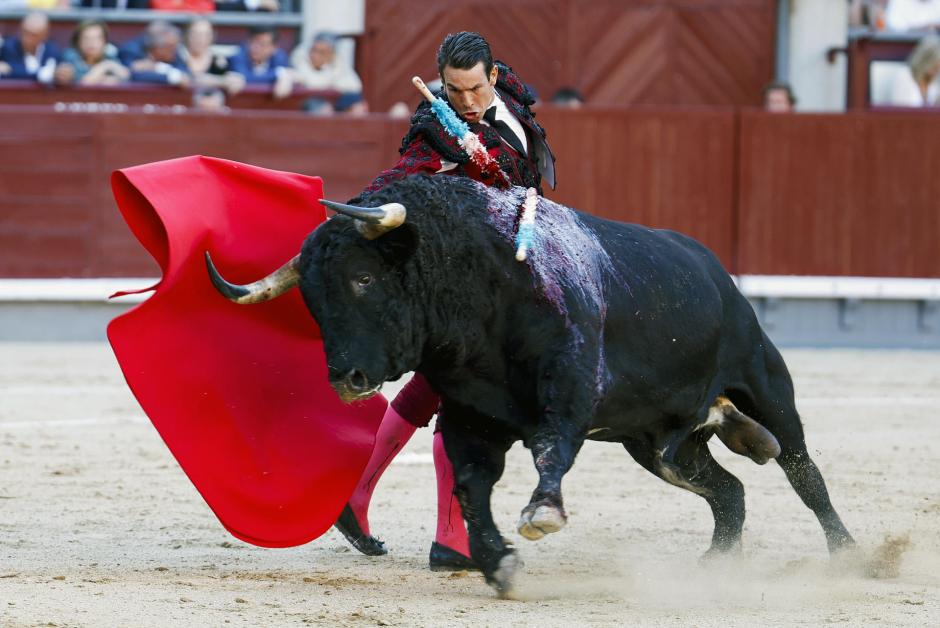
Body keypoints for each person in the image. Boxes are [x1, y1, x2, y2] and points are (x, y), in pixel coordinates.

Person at [332, 31, 556, 571]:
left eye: (476, 89)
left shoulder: (514, 95)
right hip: (465, 275)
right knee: (464, 392)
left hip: (516, 265)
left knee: (433, 387)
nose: (468, 102)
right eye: (455, 91)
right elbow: (404, 175)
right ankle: (451, 538)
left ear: (494, 77)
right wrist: (361, 209)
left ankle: (357, 494)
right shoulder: (435, 128)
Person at [290, 31, 364, 114]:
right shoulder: (300, 61)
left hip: (336, 106)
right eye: (314, 50)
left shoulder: (338, 65)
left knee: (357, 107)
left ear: (331, 54)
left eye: (322, 52)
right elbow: (312, 83)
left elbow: (354, 86)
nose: (315, 55)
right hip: (308, 107)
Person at [54, 19, 130, 86]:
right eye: (86, 38)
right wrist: (103, 66)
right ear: (78, 42)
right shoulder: (70, 56)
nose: (91, 43)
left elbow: (126, 76)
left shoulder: (109, 55)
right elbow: (83, 84)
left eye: (96, 39)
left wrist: (108, 68)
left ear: (105, 42)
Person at [182, 17, 245, 95]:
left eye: (205, 35)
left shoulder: (219, 61)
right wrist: (221, 81)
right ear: (187, 35)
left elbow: (236, 79)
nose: (200, 39)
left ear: (212, 36)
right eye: (195, 34)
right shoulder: (177, 57)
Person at [228, 25, 292, 99]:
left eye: (262, 44)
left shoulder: (279, 56)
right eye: (252, 42)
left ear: (274, 48)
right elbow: (245, 77)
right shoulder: (238, 55)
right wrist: (279, 74)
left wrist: (286, 78)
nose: (255, 48)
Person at [0, 11, 60, 84]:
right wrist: (42, 74)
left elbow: (13, 70)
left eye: (33, 35)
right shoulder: (9, 47)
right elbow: (9, 75)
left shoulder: (52, 49)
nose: (26, 38)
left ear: (44, 36)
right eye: (24, 32)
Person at [126, 20, 190, 86]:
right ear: (158, 49)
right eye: (170, 48)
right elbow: (132, 75)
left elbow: (185, 74)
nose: (175, 51)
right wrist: (172, 77)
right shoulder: (131, 51)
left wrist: (159, 67)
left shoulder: (174, 51)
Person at [888, 33, 940, 105]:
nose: (936, 72)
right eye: (934, 67)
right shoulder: (904, 76)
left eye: (938, 68)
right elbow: (900, 110)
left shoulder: (934, 83)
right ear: (925, 61)